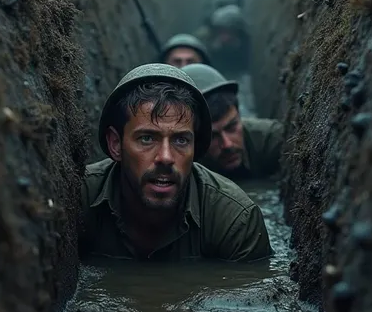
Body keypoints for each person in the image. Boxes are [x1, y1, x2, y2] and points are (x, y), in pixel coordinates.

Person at [79, 64, 271, 262]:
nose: (166, 157)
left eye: (181, 140)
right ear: (116, 144)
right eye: (147, 138)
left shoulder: (235, 220)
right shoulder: (79, 200)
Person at [182, 64, 282, 179]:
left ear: (239, 115)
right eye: (212, 136)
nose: (227, 144)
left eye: (231, 127)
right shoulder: (184, 164)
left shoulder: (269, 139)